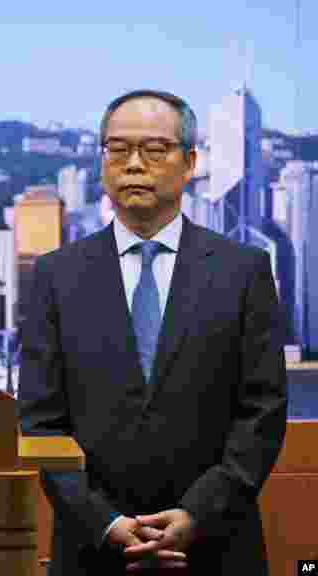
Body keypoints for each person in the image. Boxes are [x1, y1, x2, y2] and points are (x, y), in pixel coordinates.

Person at [19, 89, 287, 574]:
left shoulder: (243, 271)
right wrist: (103, 521)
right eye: (118, 149)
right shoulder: (55, 276)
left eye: (155, 149)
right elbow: (41, 425)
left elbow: (262, 411)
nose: (134, 164)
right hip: (93, 553)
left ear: (190, 163)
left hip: (217, 549)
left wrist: (198, 513)